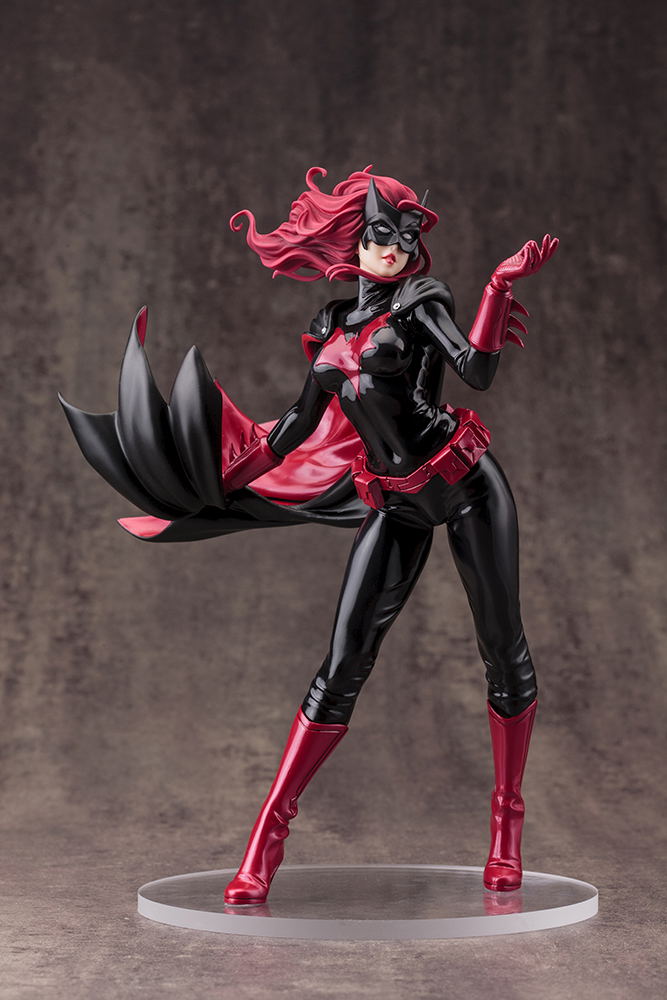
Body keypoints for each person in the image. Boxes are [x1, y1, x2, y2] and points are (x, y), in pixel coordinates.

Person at [60, 165, 558, 905]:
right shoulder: (331, 325)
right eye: (380, 234)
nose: (394, 248)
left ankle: (505, 830)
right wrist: (220, 482)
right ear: (352, 240)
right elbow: (295, 426)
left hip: (467, 488)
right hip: (394, 501)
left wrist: (497, 287)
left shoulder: (423, 301)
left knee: (502, 649)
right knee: (341, 665)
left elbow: (475, 371)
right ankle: (263, 844)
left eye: (406, 236)